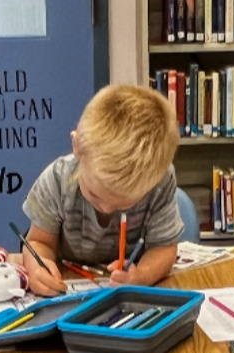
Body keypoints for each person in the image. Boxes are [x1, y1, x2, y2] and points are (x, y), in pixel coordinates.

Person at [20, 84, 182, 296]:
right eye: (95, 195)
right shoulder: (57, 180)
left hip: (128, 285)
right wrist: (37, 268)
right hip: (68, 280)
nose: (106, 208)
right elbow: (38, 242)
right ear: (77, 146)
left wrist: (142, 275)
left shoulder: (160, 182)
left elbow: (164, 248)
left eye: (123, 204)